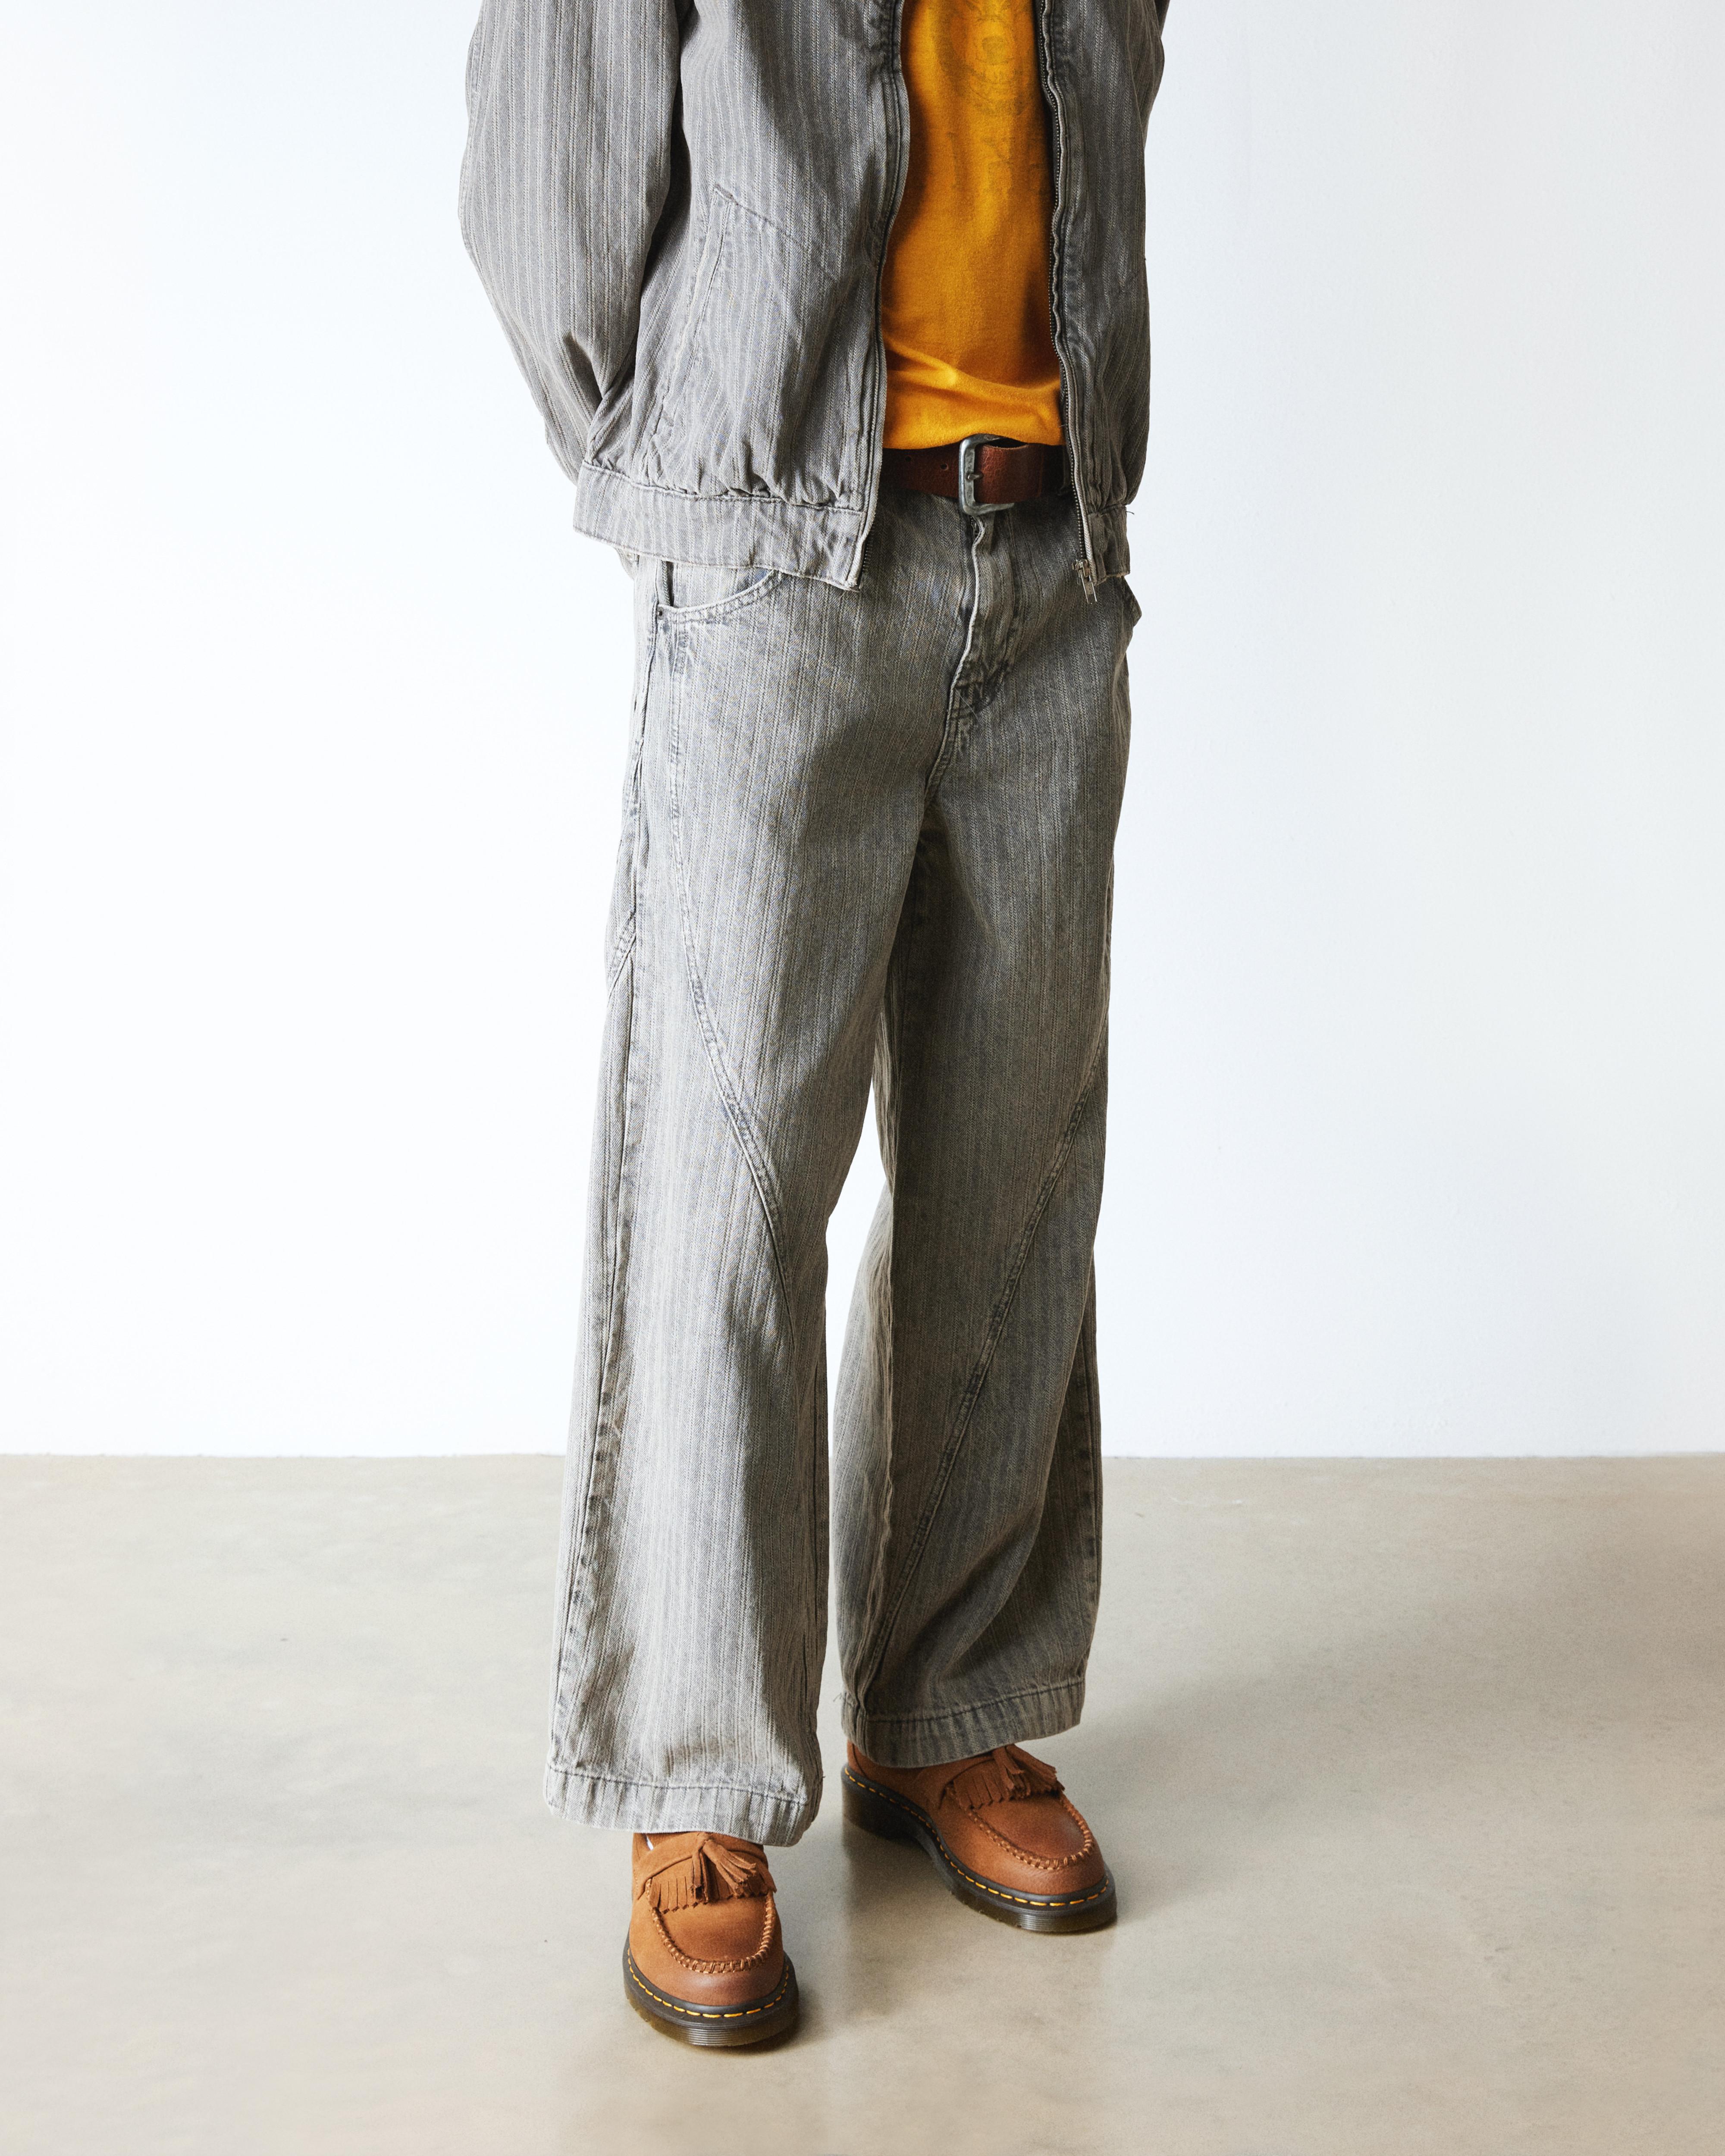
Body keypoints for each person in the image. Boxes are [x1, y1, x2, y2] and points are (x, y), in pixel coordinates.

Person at [461, 0, 1168, 2047]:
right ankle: (694, 1763)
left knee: (1010, 1163)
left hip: (1048, 540)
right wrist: (686, 456)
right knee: (729, 1176)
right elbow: (546, 168)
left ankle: (948, 1701)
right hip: (779, 560)